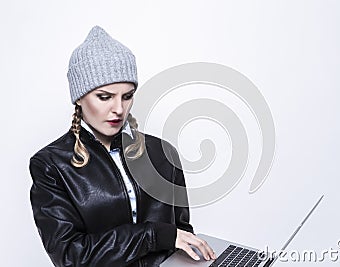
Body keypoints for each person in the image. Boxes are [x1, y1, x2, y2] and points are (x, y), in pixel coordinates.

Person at [29, 25, 216, 267]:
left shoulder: (163, 153)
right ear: (79, 97)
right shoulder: (51, 165)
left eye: (127, 96)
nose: (119, 109)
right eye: (105, 97)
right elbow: (70, 256)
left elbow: (182, 234)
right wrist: (154, 236)